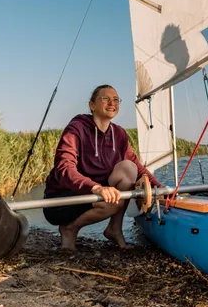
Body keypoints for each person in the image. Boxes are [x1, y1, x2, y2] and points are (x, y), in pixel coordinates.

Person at [43, 84, 162, 250]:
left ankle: (114, 229)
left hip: (95, 195)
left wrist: (159, 188)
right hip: (63, 199)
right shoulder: (76, 129)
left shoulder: (119, 134)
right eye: (106, 98)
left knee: (129, 168)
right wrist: (96, 188)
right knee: (114, 201)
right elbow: (64, 168)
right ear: (92, 105)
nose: (112, 103)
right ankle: (70, 229)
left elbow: (136, 165)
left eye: (116, 100)